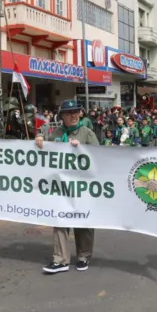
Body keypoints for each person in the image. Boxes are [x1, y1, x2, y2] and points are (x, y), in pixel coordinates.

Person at [35, 100, 99, 274]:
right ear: (61, 116)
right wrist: (39, 139)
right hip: (62, 187)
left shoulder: (87, 133)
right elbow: (44, 149)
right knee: (60, 220)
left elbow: (100, 157)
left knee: (83, 221)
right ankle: (60, 259)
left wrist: (82, 150)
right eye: (69, 113)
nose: (73, 115)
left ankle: (83, 256)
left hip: (82, 187)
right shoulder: (56, 133)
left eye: (76, 112)